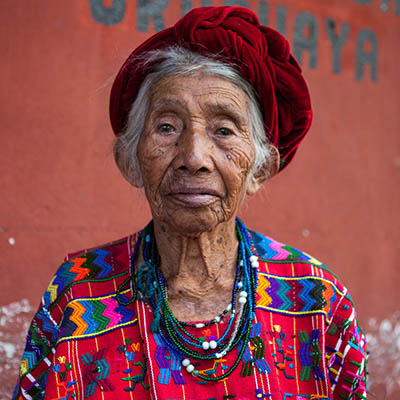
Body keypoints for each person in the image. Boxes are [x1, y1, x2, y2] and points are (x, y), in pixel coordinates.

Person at [13, 6, 367, 400]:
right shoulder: (79, 292)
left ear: (261, 169)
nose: (194, 156)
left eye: (223, 129)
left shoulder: (316, 301)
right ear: (130, 161)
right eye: (167, 126)